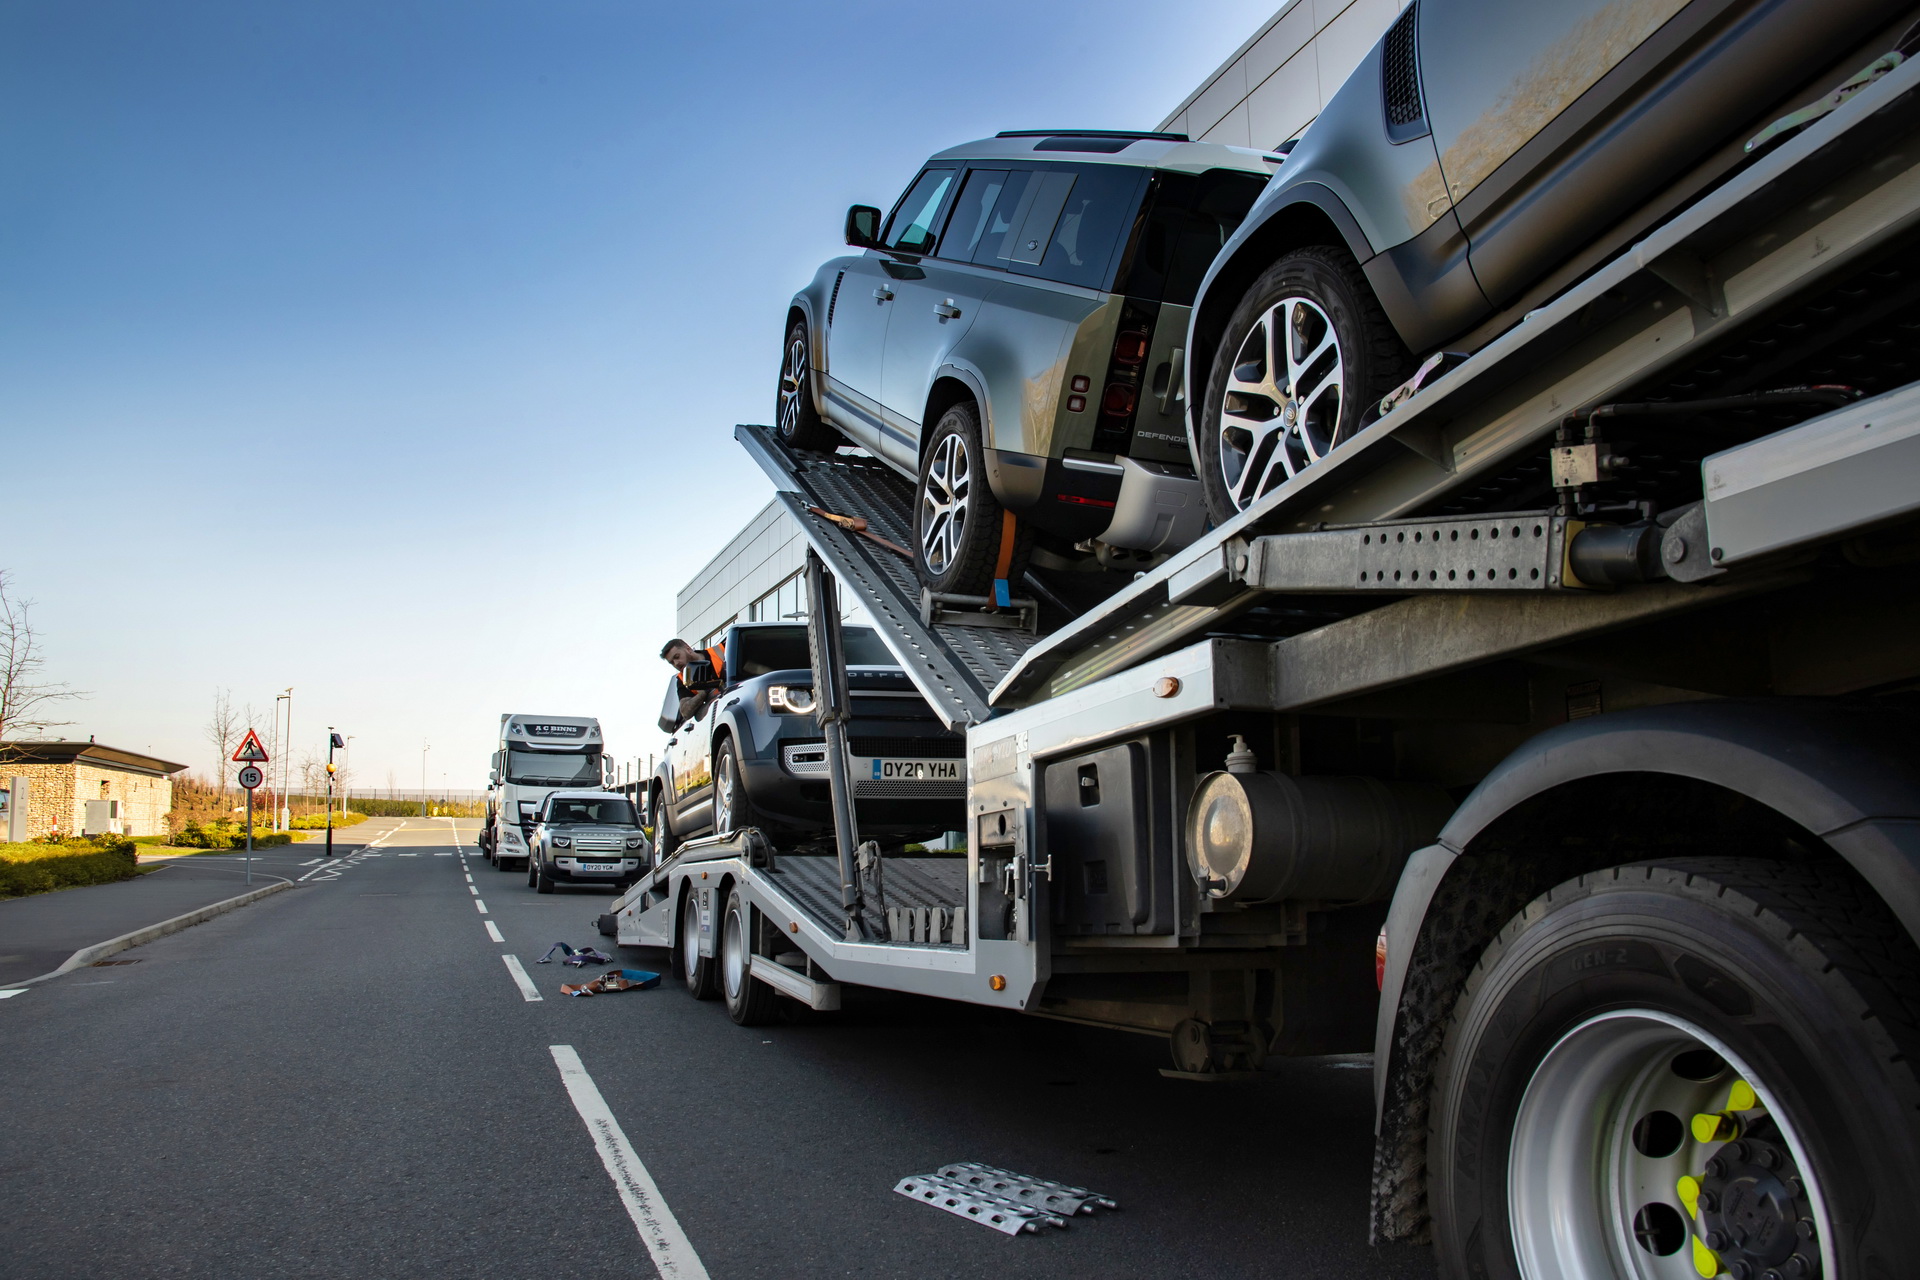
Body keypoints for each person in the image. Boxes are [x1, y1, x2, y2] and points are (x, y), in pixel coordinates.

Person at [661, 637, 726, 725]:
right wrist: (703, 693)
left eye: (677, 657)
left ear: (688, 649)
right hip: (717, 719)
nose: (676, 663)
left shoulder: (723, 650)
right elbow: (685, 712)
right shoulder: (682, 680)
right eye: (672, 662)